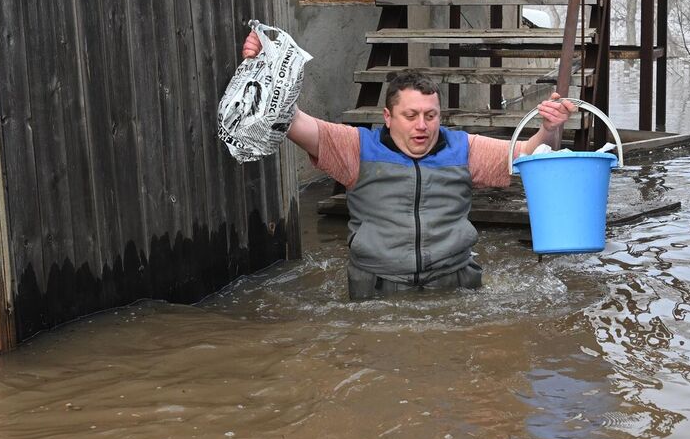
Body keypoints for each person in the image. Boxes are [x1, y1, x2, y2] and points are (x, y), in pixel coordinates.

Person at [240, 31, 578, 299]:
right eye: (411, 115)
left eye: (430, 116)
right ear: (388, 117)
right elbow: (292, 119)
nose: (422, 125)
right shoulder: (355, 148)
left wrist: (548, 128)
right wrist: (265, 67)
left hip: (454, 286)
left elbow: (528, 157)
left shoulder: (463, 148)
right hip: (376, 290)